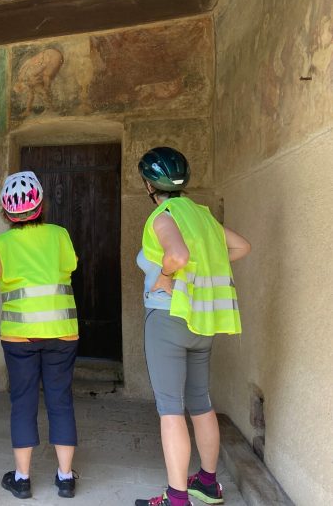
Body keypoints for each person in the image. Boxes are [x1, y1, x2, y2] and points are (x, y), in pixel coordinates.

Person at [134, 147, 250, 506]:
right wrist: (204, 266)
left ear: (148, 185)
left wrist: (167, 275)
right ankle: (208, 484)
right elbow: (242, 247)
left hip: (168, 320)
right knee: (201, 403)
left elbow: (178, 256)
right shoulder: (202, 215)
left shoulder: (163, 215)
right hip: (202, 321)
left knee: (170, 409)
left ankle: (177, 498)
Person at [0, 171, 80, 500]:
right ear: (40, 205)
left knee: (23, 402)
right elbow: (70, 267)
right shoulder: (60, 235)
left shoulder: (1, 244)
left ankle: (23, 478)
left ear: (6, 212)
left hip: (19, 337)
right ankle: (66, 478)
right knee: (60, 400)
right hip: (62, 332)